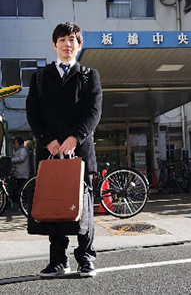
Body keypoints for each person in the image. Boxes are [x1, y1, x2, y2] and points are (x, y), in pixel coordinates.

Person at [26, 22, 102, 278]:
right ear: (54, 44)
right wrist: (48, 140)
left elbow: (94, 111)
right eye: (62, 40)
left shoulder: (90, 76)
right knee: (53, 207)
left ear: (79, 45)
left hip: (80, 152)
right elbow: (33, 113)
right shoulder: (39, 77)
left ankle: (86, 259)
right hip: (50, 153)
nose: (67, 44)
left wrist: (74, 138)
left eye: (72, 39)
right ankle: (58, 261)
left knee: (84, 208)